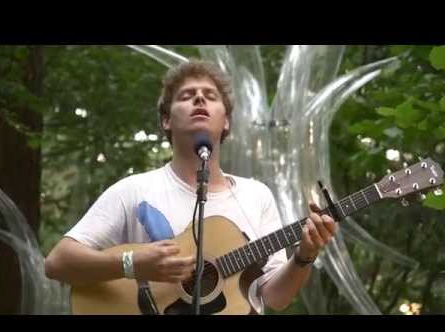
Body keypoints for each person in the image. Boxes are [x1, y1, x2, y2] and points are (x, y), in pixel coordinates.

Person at [45, 59, 337, 314]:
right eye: (187, 96)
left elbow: (276, 297)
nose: (199, 98)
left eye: (210, 96)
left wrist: (304, 255)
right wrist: (132, 264)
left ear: (226, 122)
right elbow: (57, 263)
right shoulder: (133, 191)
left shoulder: (256, 196)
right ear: (166, 120)